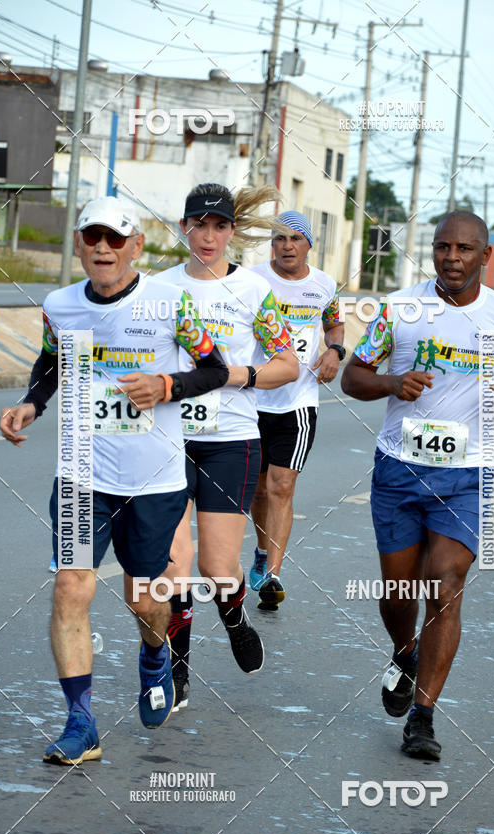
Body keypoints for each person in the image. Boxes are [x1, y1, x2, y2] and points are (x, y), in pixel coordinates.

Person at [0, 196, 228, 764]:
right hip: (83, 473)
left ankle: (155, 654)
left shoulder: (170, 303)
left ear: (136, 247)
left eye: (115, 238)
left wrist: (167, 386)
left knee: (144, 601)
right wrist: (31, 404)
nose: (103, 247)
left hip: (154, 479)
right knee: (71, 586)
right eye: (92, 237)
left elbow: (216, 369)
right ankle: (81, 723)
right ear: (78, 244)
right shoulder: (60, 305)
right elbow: (51, 362)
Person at [341, 210, 494, 761]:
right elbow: (353, 377)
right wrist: (392, 382)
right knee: (398, 593)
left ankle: (423, 718)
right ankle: (403, 651)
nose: (451, 258)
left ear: (486, 256)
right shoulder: (400, 308)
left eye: (464, 249)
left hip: (471, 473)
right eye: (442, 247)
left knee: (444, 581)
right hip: (400, 468)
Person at [151, 183, 299, 708]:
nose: (208, 236)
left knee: (217, 569)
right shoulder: (157, 288)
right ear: (184, 226)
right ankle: (178, 670)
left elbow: (288, 365)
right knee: (175, 565)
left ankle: (234, 617)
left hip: (230, 440)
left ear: (232, 231)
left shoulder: (253, 291)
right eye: (199, 224)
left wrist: (238, 374)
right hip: (168, 439)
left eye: (219, 226)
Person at [248, 211, 345, 611]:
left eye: (295, 238)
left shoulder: (324, 285)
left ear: (309, 244)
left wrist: (335, 351)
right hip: (252, 399)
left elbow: (334, 325)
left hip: (298, 401)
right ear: (271, 245)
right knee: (257, 488)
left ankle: (273, 573)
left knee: (282, 486)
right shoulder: (251, 281)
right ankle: (260, 551)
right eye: (279, 239)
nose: (287, 246)